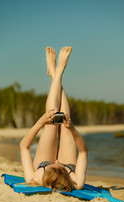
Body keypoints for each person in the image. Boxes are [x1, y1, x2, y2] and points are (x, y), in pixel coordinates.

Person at [20, 46, 87, 191]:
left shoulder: (35, 177)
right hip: (69, 164)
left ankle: (57, 71)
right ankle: (56, 73)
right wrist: (72, 128)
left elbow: (23, 146)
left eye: (53, 164)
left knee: (51, 118)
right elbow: (83, 151)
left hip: (42, 162)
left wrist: (41, 122)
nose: (56, 160)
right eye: (59, 165)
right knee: (63, 120)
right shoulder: (76, 181)